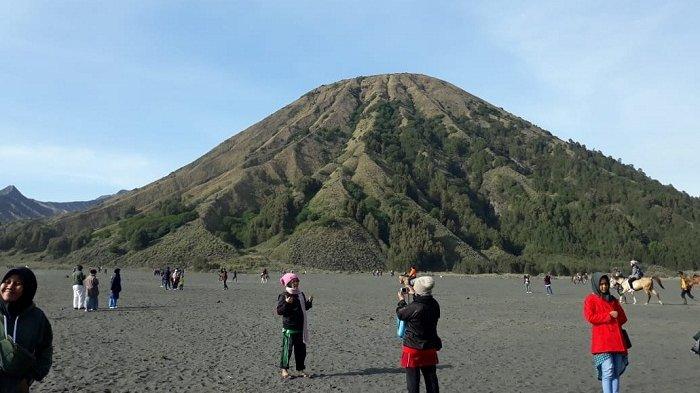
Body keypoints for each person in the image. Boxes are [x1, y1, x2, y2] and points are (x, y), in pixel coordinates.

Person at [0, 267, 53, 392]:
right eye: (7, 281)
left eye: (18, 284)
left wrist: (29, 379)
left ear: (28, 289)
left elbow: (45, 351)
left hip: (17, 387)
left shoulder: (37, 317)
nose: (10, 286)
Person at [583, 273, 629, 393]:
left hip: (617, 341)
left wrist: (616, 316)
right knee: (608, 370)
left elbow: (623, 318)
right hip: (602, 341)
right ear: (596, 285)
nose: (604, 286)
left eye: (606, 284)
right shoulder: (590, 299)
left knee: (616, 371)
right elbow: (590, 317)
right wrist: (608, 316)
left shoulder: (613, 300)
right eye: (601, 284)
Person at [396, 276, 441, 393]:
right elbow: (422, 299)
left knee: (413, 382)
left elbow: (401, 314)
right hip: (430, 346)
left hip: (413, 347)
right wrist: (414, 292)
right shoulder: (435, 304)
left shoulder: (414, 307)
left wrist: (401, 300)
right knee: (431, 381)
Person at [276, 273, 313, 379]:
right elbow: (279, 311)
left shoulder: (300, 294)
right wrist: (287, 303)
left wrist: (309, 302)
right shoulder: (284, 295)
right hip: (289, 328)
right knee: (287, 349)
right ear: (288, 283)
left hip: (301, 328)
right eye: (293, 282)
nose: (295, 283)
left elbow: (304, 307)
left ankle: (301, 369)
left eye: (297, 281)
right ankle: (284, 370)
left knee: (301, 350)